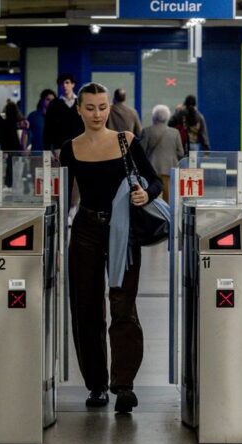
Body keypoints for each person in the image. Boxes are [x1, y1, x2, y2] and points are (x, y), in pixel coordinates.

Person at [58, 82, 162, 413]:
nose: (97, 114)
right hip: (85, 229)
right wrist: (59, 240)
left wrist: (147, 194)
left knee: (123, 305)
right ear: (79, 109)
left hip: (123, 232)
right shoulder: (70, 149)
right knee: (86, 309)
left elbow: (155, 181)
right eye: (90, 108)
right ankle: (97, 385)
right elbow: (63, 197)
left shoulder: (127, 141)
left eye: (103, 107)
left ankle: (124, 385)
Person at [141, 104, 184, 202]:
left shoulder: (147, 131)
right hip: (169, 170)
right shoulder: (175, 132)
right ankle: (168, 216)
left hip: (152, 170)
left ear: (154, 117)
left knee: (154, 199)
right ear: (167, 117)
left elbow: (141, 151)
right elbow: (181, 152)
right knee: (168, 198)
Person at [44, 73, 85, 152]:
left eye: (67, 82)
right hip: (59, 146)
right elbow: (48, 128)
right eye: (61, 83)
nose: (64, 85)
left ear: (73, 84)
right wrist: (48, 148)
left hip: (79, 145)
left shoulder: (81, 103)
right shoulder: (54, 104)